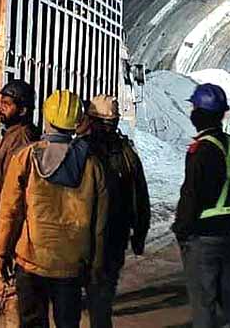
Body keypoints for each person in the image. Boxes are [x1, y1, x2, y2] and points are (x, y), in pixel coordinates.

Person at [0, 90, 108, 328]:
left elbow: (10, 212)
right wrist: (95, 266)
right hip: (71, 266)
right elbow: (100, 224)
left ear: (47, 118)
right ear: (77, 122)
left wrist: (2, 252)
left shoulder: (26, 157)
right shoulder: (92, 165)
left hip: (31, 261)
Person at [172, 83, 230, 328]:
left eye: (194, 108)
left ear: (201, 113)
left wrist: (181, 229)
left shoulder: (200, 150)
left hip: (203, 237)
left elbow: (191, 194)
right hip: (229, 234)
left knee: (203, 302)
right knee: (228, 296)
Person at [79, 95, 151, 328]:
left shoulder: (80, 151)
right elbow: (141, 197)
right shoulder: (126, 153)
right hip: (112, 238)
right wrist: (139, 234)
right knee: (101, 296)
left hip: (84, 237)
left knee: (80, 300)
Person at [0, 79, 39, 238]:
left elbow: (15, 188)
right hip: (0, 224)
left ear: (22, 111)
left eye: (7, 104)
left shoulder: (22, 138)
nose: (1, 109)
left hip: (9, 228)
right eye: (1, 103)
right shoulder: (11, 134)